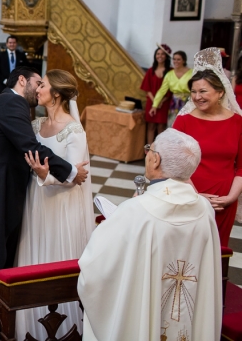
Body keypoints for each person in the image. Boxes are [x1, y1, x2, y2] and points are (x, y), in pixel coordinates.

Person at [0, 66, 88, 341]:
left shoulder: (10, 104)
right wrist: (71, 171)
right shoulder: (12, 104)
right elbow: (31, 147)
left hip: (6, 196)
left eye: (43, 85)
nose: (38, 89)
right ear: (22, 80)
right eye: (37, 83)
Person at [78, 128, 222, 341]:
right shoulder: (204, 208)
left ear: (155, 160)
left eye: (149, 150)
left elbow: (96, 265)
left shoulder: (136, 210)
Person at [14, 69, 94, 338]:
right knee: (33, 250)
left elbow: (75, 176)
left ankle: (62, 328)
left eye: (43, 85)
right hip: (36, 203)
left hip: (60, 208)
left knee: (54, 255)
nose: (37, 89)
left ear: (57, 93)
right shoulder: (35, 125)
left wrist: (44, 174)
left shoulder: (74, 131)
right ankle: (29, 324)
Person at [172, 47, 242, 246]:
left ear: (220, 92)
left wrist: (230, 198)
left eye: (203, 91)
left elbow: (241, 168)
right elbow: (174, 164)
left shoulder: (237, 122)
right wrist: (195, 194)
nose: (197, 96)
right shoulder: (183, 121)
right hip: (190, 195)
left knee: (217, 251)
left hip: (224, 201)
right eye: (193, 91)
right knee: (187, 251)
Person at [150, 50, 193, 127]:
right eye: (174, 59)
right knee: (173, 125)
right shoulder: (169, 74)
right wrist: (155, 105)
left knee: (187, 126)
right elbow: (162, 91)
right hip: (174, 103)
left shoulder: (192, 73)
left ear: (184, 60)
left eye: (178, 59)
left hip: (188, 102)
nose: (176, 61)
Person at [141, 44, 172, 144]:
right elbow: (147, 89)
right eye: (158, 54)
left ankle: (159, 151)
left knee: (161, 127)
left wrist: (161, 101)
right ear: (155, 56)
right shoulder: (151, 71)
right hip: (152, 101)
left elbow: (171, 90)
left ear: (166, 56)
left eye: (163, 54)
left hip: (164, 102)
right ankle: (149, 151)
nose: (160, 56)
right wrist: (155, 101)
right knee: (151, 126)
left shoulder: (171, 71)